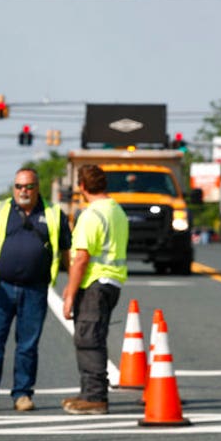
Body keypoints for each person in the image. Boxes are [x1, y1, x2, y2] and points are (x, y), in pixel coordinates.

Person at [0, 168, 70, 411]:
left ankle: (22, 394)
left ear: (38, 188)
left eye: (28, 187)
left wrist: (72, 286)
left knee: (28, 344)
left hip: (35, 290)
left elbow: (68, 251)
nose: (23, 191)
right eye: (19, 186)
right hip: (1, 288)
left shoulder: (54, 214)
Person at [61, 164, 129, 415]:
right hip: (112, 282)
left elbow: (81, 258)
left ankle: (95, 397)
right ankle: (88, 391)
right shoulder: (116, 211)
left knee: (88, 339)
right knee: (93, 336)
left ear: (82, 187)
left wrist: (69, 293)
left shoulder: (91, 215)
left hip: (95, 283)